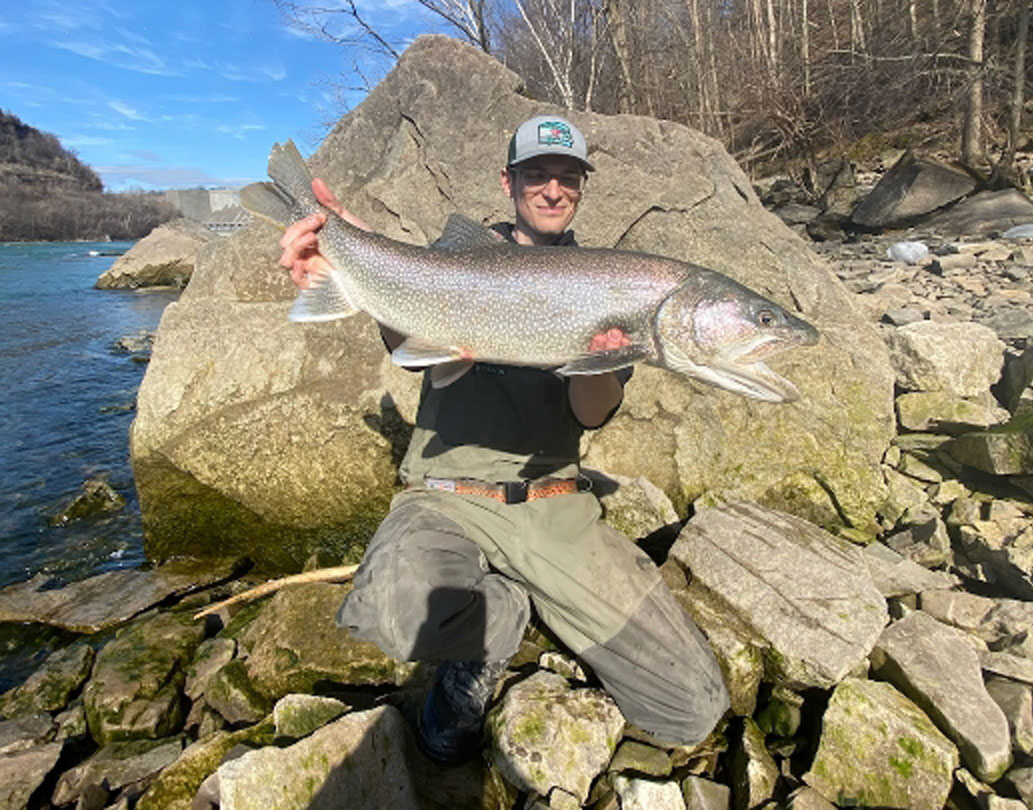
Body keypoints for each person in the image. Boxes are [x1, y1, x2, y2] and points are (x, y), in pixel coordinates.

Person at [277, 115, 729, 765]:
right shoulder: (456, 255)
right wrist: (344, 254)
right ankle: (494, 626)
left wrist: (601, 359)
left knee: (692, 706)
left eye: (567, 177)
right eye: (536, 174)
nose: (552, 189)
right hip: (446, 494)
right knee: (396, 614)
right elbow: (410, 343)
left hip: (554, 507)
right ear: (508, 182)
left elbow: (592, 414)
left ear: (580, 188)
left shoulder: (608, 282)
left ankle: (515, 595)